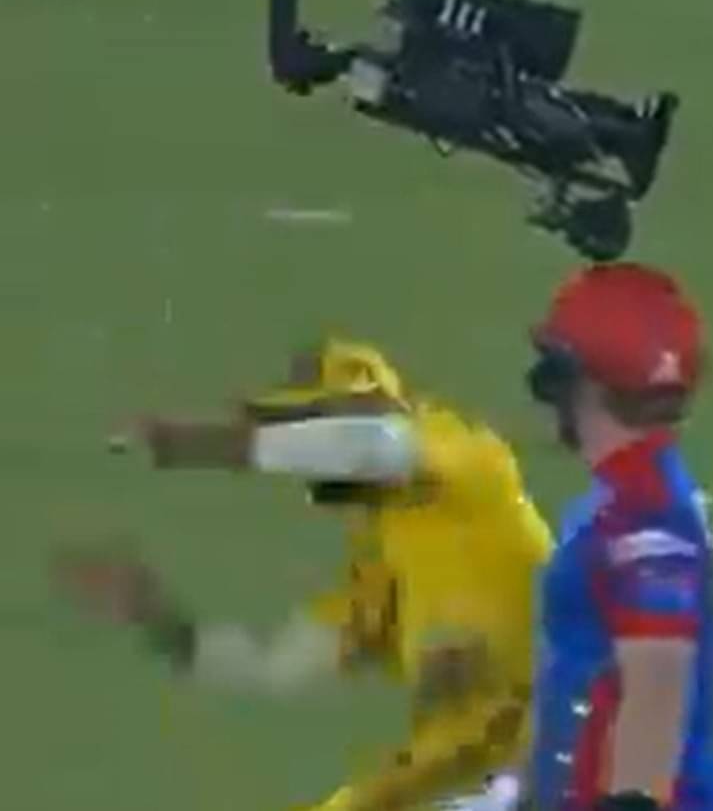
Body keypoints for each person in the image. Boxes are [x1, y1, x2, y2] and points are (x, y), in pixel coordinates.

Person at [54, 338, 555, 811]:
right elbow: (277, 666)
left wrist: (202, 444)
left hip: (554, 747)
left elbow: (369, 446)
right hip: (462, 767)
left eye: (308, 422)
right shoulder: (382, 568)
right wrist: (159, 619)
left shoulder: (467, 454)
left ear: (374, 405)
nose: (307, 460)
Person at [496, 262, 713, 811]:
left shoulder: (644, 513)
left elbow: (655, 687)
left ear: (583, 382)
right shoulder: (630, 498)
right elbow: (578, 673)